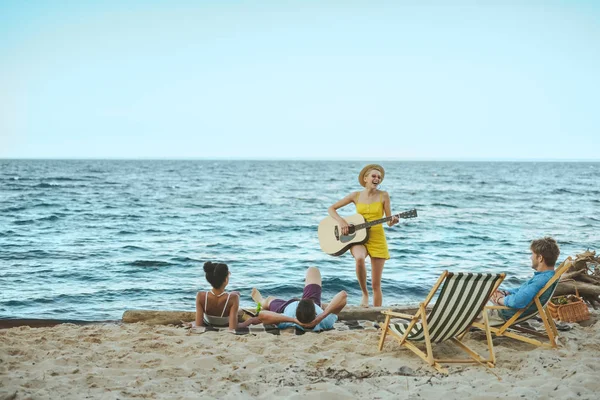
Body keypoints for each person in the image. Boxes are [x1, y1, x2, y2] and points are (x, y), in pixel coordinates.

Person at [327, 164, 399, 307]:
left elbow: (389, 221)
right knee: (359, 259)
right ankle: (364, 294)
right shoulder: (356, 195)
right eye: (373, 176)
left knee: (376, 284)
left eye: (379, 177)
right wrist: (341, 222)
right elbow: (331, 208)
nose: (377, 178)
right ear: (365, 178)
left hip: (377, 238)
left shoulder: (384, 195)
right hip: (359, 237)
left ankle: (377, 316)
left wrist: (393, 221)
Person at [248, 266, 347, 332]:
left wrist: (294, 320)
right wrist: (321, 317)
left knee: (269, 300)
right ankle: (322, 305)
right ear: (315, 314)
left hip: (287, 306)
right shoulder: (324, 322)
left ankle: (261, 300)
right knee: (313, 270)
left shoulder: (286, 320)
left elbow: (262, 315)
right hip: (312, 303)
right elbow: (343, 295)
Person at [489, 237, 561, 320]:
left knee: (474, 303)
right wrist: (505, 292)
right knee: (489, 293)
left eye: (532, 254)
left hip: (501, 313)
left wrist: (499, 299)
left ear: (540, 258)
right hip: (506, 308)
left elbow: (518, 302)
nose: (531, 258)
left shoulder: (540, 280)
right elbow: (521, 291)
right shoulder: (547, 276)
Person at [194, 261, 240, 331]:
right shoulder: (234, 298)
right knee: (237, 299)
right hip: (226, 324)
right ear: (225, 279)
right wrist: (249, 321)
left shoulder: (200, 296)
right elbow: (233, 328)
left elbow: (198, 325)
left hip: (208, 323)